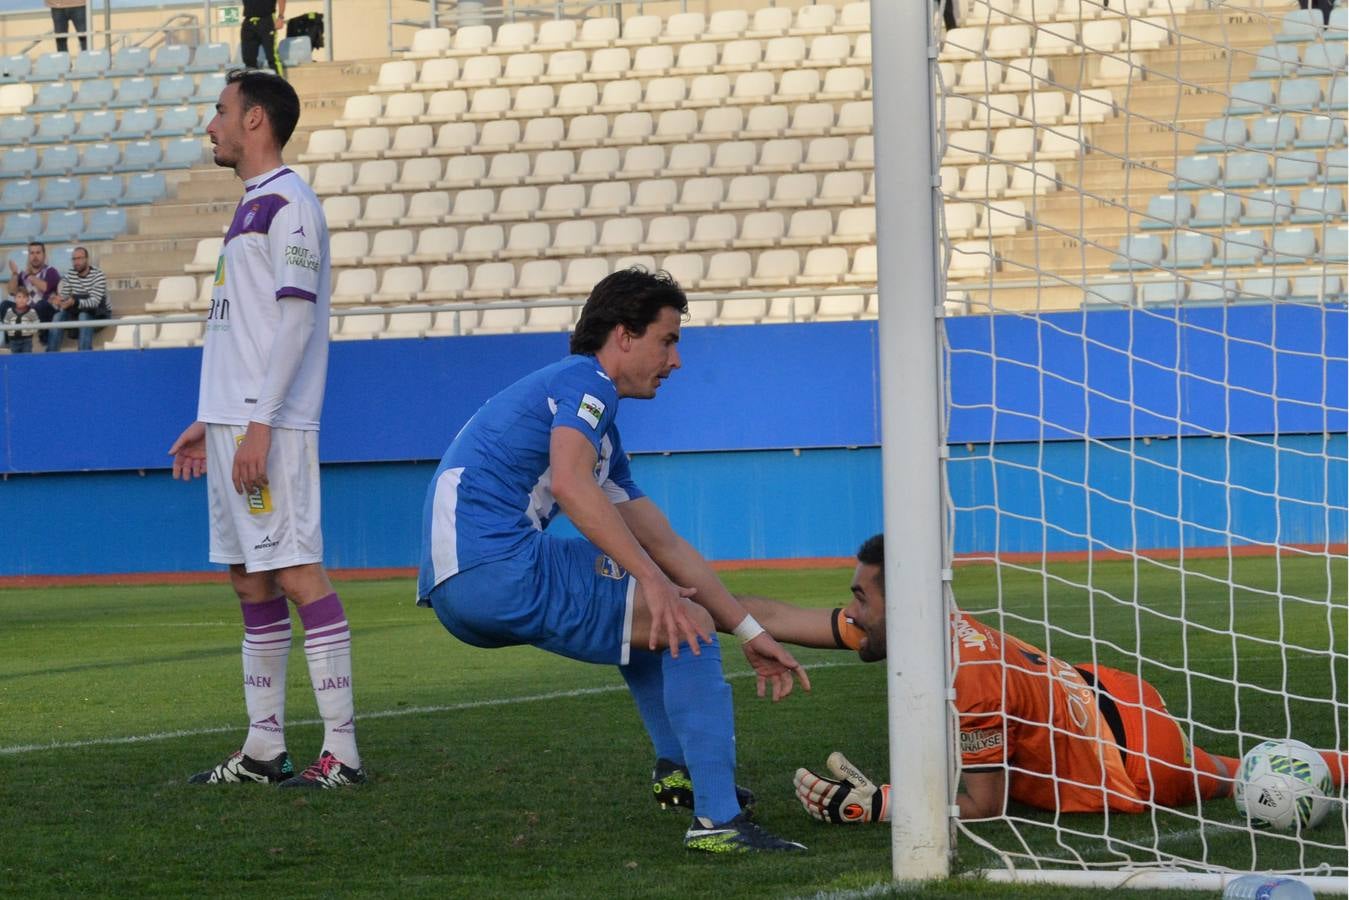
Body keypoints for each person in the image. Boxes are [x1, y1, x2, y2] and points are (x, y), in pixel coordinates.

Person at [417, 267, 811, 853]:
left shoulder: (596, 426)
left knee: (660, 622)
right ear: (624, 335)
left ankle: (679, 770)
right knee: (685, 621)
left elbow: (666, 544)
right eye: (668, 339)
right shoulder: (587, 383)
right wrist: (653, 583)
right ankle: (718, 823)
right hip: (496, 567)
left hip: (459, 586)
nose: (675, 361)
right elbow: (575, 490)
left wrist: (749, 630)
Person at [737, 535, 1349, 822]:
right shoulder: (925, 626)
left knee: (1230, 779)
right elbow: (778, 618)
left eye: (860, 598)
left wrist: (875, 807)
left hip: (1132, 759)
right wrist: (687, 604)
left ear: (904, 602)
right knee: (1235, 769)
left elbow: (984, 803)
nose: (852, 611)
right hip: (1111, 695)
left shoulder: (966, 674)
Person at [169, 68, 363, 789]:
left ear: (255, 121)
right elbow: (246, 328)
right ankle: (262, 749)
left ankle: (342, 753)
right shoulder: (251, 206)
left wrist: (258, 426)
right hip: (234, 421)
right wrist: (211, 418)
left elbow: (293, 320)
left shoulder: (289, 204)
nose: (210, 125)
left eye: (220, 111)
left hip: (268, 427)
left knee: (294, 571)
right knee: (250, 580)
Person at [8, 242, 61, 351]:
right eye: (32, 253)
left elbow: (45, 287)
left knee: (41, 305)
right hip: (28, 312)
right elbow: (12, 291)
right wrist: (14, 273)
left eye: (38, 253)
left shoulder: (51, 271)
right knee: (5, 305)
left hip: (46, 311)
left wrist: (29, 276)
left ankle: (44, 336)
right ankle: (12, 339)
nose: (35, 256)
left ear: (44, 255)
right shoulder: (22, 274)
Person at [55, 247, 109, 351]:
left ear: (87, 259)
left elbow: (95, 302)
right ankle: (51, 354)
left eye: (79, 258)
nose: (76, 262)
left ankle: (84, 354)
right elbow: (65, 295)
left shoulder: (98, 275)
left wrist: (74, 301)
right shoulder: (70, 273)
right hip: (77, 310)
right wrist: (59, 300)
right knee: (58, 316)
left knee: (84, 315)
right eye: (74, 259)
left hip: (99, 313)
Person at [241, 0, 286, 76]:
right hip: (248, 21)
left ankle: (280, 85)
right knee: (249, 60)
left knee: (272, 58)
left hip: (266, 19)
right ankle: (253, 86)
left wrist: (280, 17)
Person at [3, 285, 40, 353]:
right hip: (13, 340)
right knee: (15, 358)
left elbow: (37, 323)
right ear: (15, 299)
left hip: (27, 340)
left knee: (26, 358)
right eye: (19, 297)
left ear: (28, 299)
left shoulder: (31, 311)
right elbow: (6, 323)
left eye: (24, 297)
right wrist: (10, 332)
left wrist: (31, 331)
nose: (21, 299)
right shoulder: (9, 311)